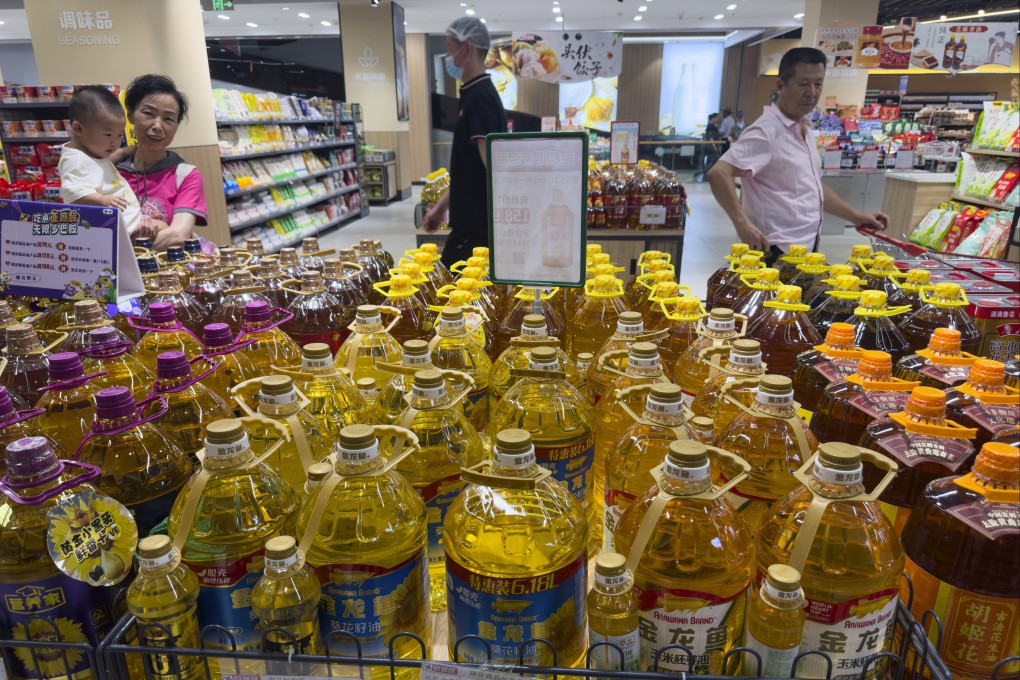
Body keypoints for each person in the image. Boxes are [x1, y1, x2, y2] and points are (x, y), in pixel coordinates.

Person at [707, 47, 888, 262]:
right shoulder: (766, 132)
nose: (812, 92)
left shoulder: (804, 129)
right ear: (781, 85)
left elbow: (812, 188)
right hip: (775, 251)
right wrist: (742, 224)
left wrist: (856, 216)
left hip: (805, 249)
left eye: (818, 83)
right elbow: (718, 173)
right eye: (803, 84)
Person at [422, 17, 507, 267]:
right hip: (469, 227)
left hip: (475, 232)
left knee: (457, 300)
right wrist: (440, 209)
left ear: (467, 47)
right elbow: (469, 172)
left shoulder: (480, 98)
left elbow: (493, 170)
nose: (450, 56)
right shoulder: (473, 94)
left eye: (450, 48)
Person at [115, 74, 207, 251]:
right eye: (148, 113)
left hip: (166, 276)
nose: (157, 125)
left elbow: (178, 236)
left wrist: (119, 249)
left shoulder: (187, 176)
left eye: (168, 119)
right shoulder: (112, 172)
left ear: (176, 126)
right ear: (131, 115)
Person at [58, 86, 152, 239]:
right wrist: (102, 199)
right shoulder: (75, 161)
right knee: (163, 230)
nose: (115, 142)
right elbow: (74, 194)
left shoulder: (90, 152)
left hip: (127, 221)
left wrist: (125, 151)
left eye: (119, 135)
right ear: (78, 129)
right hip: (119, 230)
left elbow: (100, 165)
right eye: (108, 134)